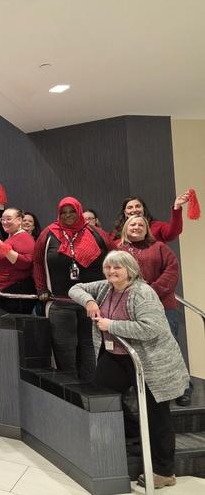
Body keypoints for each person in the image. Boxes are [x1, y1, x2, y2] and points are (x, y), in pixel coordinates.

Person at [69, 251, 189, 490]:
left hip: (150, 362)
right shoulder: (106, 287)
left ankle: (164, 472)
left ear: (130, 270)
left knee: (157, 414)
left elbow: (151, 328)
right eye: (108, 267)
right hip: (116, 357)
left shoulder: (143, 293)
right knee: (101, 398)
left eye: (117, 268)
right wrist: (90, 302)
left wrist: (111, 325)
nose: (111, 272)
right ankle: (133, 432)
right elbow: (75, 288)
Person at [33, 197, 112, 381]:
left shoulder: (96, 233)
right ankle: (71, 391)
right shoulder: (48, 234)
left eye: (72, 212)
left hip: (92, 304)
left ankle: (90, 388)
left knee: (90, 348)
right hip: (60, 303)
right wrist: (41, 288)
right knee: (64, 350)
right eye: (64, 212)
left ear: (79, 211)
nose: (68, 215)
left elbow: (114, 257)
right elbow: (37, 262)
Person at [115, 215, 191, 405]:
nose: (136, 227)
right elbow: (111, 274)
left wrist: (150, 292)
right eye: (132, 224)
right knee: (138, 352)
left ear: (147, 229)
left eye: (141, 224)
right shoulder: (117, 249)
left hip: (163, 305)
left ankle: (182, 389)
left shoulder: (159, 247)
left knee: (168, 349)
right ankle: (148, 390)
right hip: (130, 309)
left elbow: (172, 270)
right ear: (125, 228)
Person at [0, 208, 36, 314]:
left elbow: (26, 263)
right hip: (1, 292)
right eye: (2, 219)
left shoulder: (24, 237)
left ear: (19, 220)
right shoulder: (11, 237)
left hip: (14, 294)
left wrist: (3, 248)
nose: (5, 222)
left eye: (9, 219)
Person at [112, 193, 190, 244]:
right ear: (125, 212)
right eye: (130, 207)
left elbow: (173, 233)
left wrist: (177, 206)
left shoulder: (157, 226)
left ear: (143, 209)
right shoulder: (117, 232)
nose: (134, 210)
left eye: (138, 206)